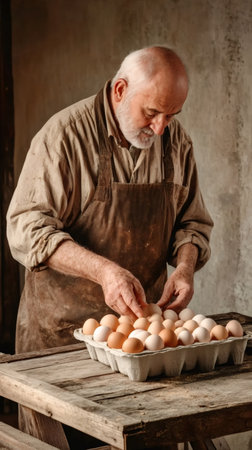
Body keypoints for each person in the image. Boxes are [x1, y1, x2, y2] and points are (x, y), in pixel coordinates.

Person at [7, 46, 213, 448]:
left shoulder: (176, 145)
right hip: (60, 342)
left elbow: (192, 224)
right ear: (120, 90)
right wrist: (104, 271)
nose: (160, 128)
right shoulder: (64, 136)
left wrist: (185, 268)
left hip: (141, 347)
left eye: (172, 116)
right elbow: (25, 227)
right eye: (151, 113)